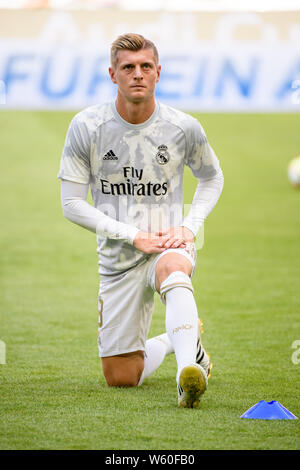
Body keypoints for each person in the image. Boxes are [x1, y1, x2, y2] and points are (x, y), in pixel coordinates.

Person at [58, 33, 224, 408]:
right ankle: (180, 340)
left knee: (175, 267)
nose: (138, 74)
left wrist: (188, 227)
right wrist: (133, 236)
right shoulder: (87, 126)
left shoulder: (183, 127)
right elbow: (71, 204)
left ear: (158, 73)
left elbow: (213, 177)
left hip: (167, 245)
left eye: (145, 66)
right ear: (112, 74)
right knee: (121, 378)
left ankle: (187, 375)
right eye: (128, 67)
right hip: (117, 259)